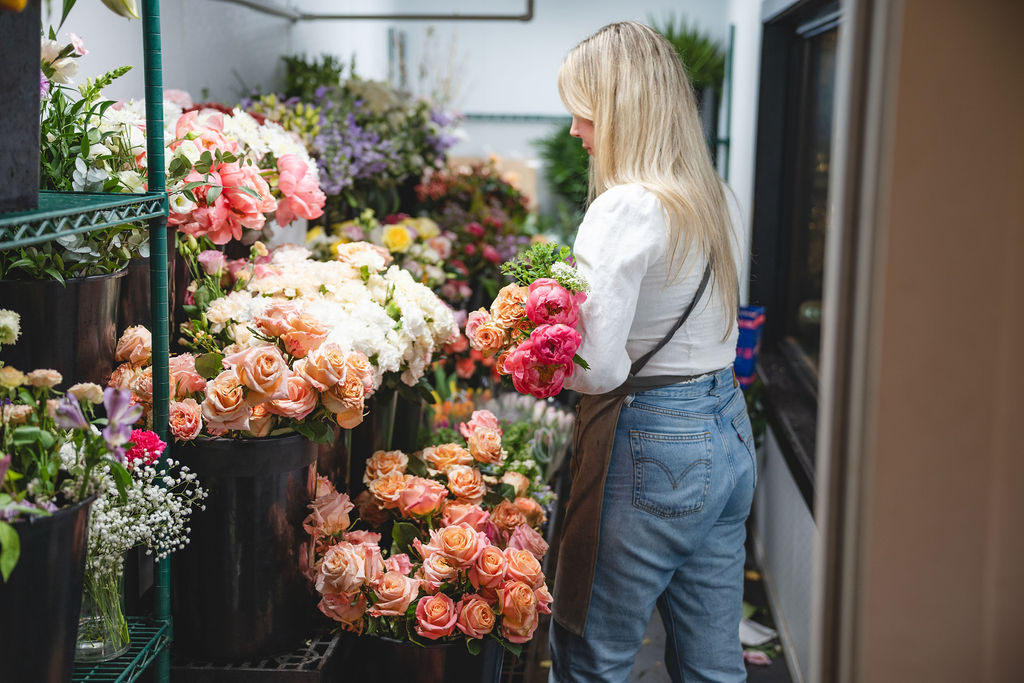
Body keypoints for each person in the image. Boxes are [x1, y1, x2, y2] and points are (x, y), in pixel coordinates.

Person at [548, 21, 756, 683]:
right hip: (727, 428)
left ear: (616, 109)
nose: (576, 130)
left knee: (594, 658)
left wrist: (537, 345)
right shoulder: (717, 198)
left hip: (652, 446)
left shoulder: (624, 209)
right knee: (712, 662)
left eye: (583, 111)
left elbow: (599, 369)